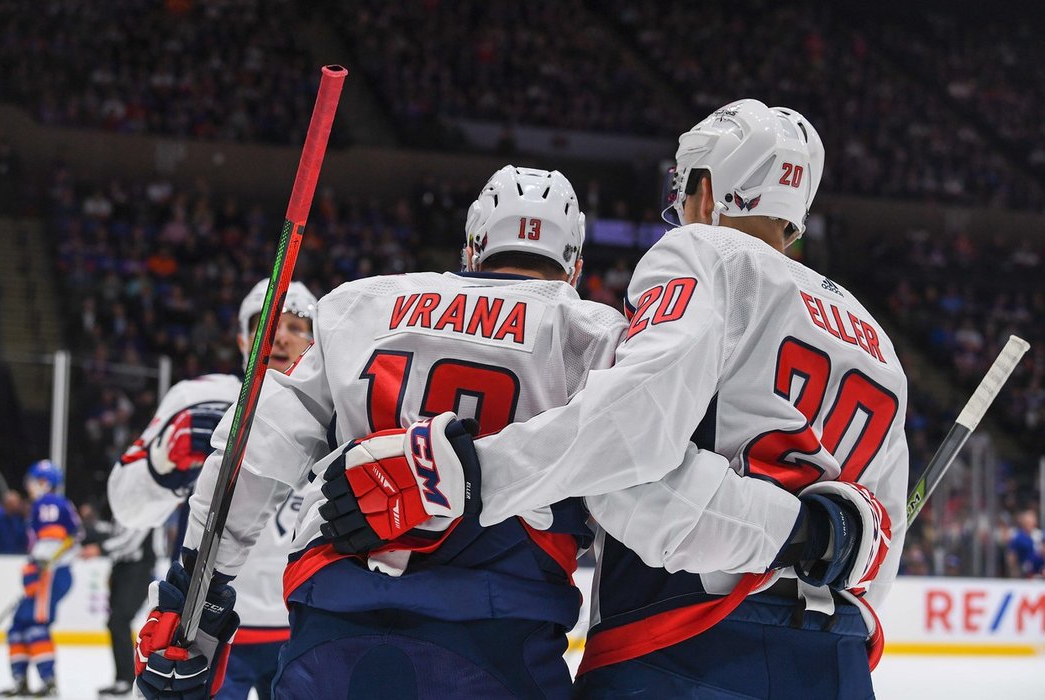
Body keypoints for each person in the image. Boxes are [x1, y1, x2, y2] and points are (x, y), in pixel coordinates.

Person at [324, 100, 909, 699]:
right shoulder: (879, 345)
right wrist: (812, 539)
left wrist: (463, 473)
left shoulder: (705, 255)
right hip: (833, 660)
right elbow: (874, 556)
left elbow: (630, 442)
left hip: (677, 648)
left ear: (707, 194)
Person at [133, 166, 629, 699]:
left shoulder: (358, 304)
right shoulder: (598, 336)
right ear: (575, 264)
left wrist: (193, 598)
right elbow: (637, 506)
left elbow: (255, 449)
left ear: (472, 247)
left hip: (333, 628)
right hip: (500, 636)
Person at [107, 278, 315, 700]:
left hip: (305, 631)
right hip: (207, 629)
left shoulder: (335, 412)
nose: (279, 336)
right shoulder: (198, 400)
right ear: (243, 338)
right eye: (266, 323)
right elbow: (127, 509)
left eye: (296, 327)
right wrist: (165, 463)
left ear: (317, 342)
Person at [0, 461, 80, 698]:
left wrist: (37, 568)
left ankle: (49, 682)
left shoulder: (49, 503)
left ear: (45, 482)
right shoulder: (48, 503)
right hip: (46, 573)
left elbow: (54, 540)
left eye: (33, 481)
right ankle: (20, 680)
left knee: (35, 625)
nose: (29, 487)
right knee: (18, 626)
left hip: (50, 574)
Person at [79, 515, 155, 699]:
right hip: (121, 568)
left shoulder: (144, 508)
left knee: (119, 620)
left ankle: (127, 679)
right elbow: (115, 533)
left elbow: (130, 541)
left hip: (138, 569)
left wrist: (99, 548)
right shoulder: (123, 508)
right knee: (115, 622)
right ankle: (123, 678)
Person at [0, 489, 28, 554]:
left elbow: (23, 539)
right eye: (15, 502)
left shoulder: (18, 518)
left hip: (17, 557)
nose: (18, 505)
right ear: (8, 503)